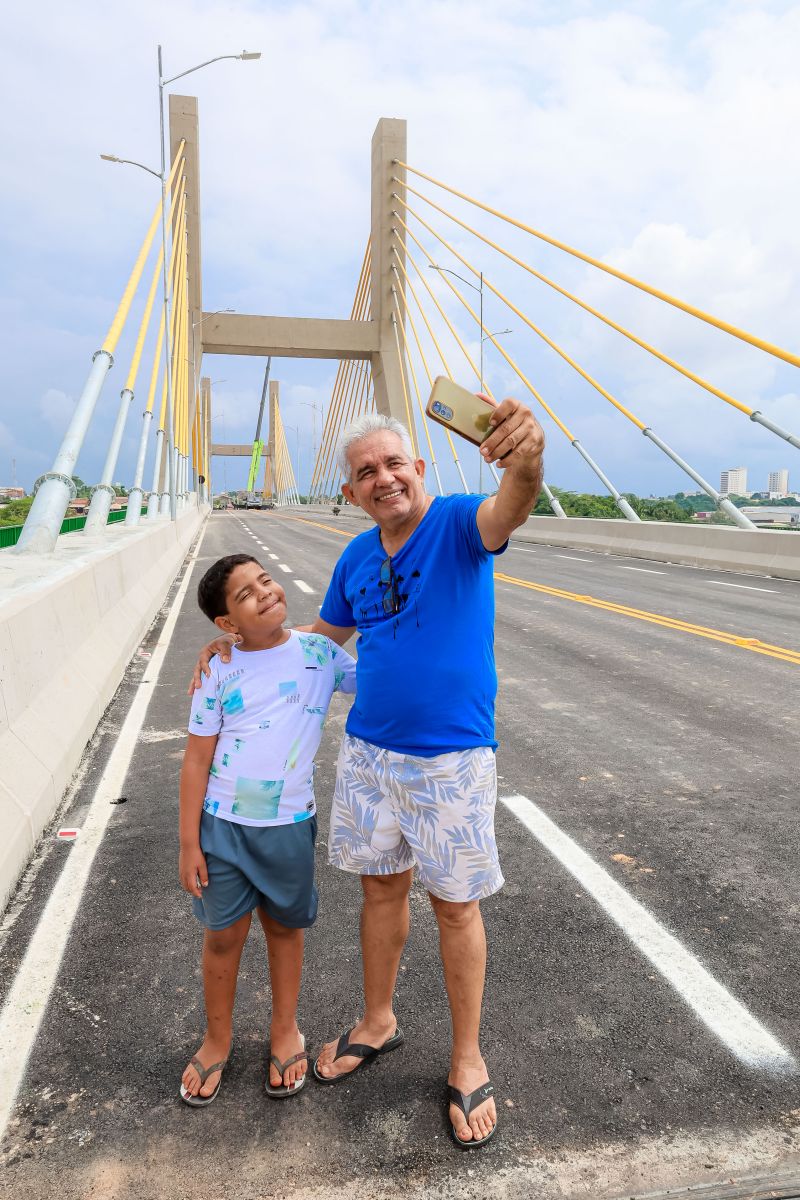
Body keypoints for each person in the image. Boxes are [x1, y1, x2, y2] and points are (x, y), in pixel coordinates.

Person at [191, 395, 544, 1146]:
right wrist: (235, 651)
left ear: (419, 469)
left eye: (393, 464)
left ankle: (467, 1057)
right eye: (365, 472)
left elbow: (510, 507)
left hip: (449, 758)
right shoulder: (356, 558)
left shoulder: (455, 523)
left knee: (455, 905)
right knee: (380, 893)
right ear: (350, 492)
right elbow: (317, 642)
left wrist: (527, 458)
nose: (382, 478)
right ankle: (377, 1021)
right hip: (369, 755)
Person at [179, 553, 356, 1106]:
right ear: (226, 625)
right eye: (245, 595)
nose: (265, 593)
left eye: (265, 581)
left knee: (284, 930)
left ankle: (286, 1029)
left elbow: (379, 682)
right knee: (223, 935)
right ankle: (217, 1039)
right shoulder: (218, 667)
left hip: (289, 826)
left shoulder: (319, 654)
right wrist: (190, 843)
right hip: (223, 827)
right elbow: (194, 760)